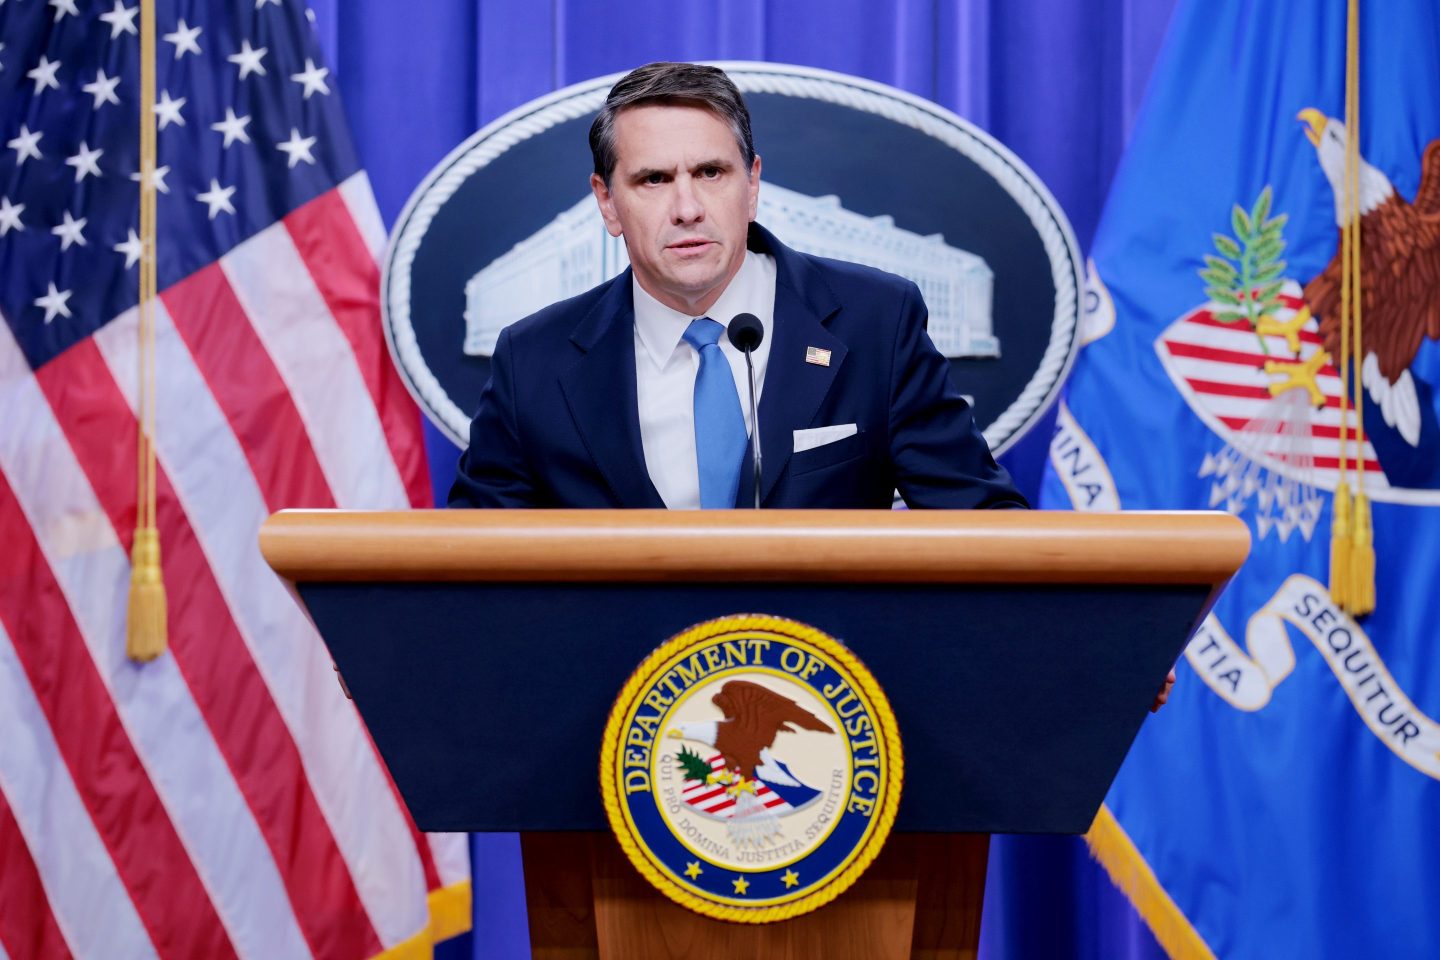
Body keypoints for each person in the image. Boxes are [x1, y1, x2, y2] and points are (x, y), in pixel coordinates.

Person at [449, 61, 1026, 511]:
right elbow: (469, 567)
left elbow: (984, 524)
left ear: (751, 184)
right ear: (607, 202)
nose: (687, 208)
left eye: (710, 173)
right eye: (653, 179)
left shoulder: (878, 323)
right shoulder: (532, 361)